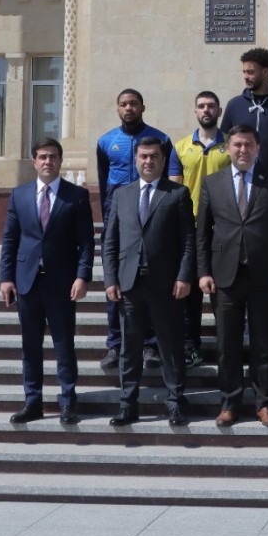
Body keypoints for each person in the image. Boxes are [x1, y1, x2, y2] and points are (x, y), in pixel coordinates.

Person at [196, 125, 268, 428]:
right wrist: (203, 272)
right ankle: (229, 403)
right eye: (237, 145)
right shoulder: (212, 183)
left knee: (264, 342)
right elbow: (201, 233)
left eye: (248, 145)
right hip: (225, 276)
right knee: (228, 344)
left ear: (258, 148)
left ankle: (264, 403)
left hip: (264, 275)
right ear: (227, 148)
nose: (242, 150)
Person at [0, 138, 95, 425]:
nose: (47, 161)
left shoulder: (76, 196)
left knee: (64, 344)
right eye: (42, 157)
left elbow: (87, 242)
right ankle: (33, 401)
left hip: (62, 283)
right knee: (30, 345)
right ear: (33, 162)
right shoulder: (19, 195)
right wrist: (6, 278)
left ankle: (68, 401)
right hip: (27, 282)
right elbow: (10, 239)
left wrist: (82, 276)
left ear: (60, 161)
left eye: (52, 156)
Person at [102, 137, 196, 427]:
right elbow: (110, 241)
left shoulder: (177, 194)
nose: (148, 161)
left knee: (170, 346)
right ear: (135, 159)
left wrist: (183, 276)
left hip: (166, 285)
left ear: (163, 159)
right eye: (143, 156)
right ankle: (128, 404)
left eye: (154, 156)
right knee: (130, 348)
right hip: (129, 284)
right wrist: (110, 279)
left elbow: (188, 242)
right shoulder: (122, 194)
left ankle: (175, 403)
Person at [95, 88, 181, 371]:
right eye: (123, 104)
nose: (128, 108)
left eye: (133, 103)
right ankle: (114, 343)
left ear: (143, 106)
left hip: (152, 219)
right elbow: (104, 181)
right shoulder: (106, 142)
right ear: (117, 108)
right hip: (120, 220)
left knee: (151, 285)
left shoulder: (162, 139)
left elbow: (169, 177)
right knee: (117, 284)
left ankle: (151, 344)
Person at [173, 90, 231, 369]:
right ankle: (190, 344)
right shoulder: (182, 146)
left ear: (219, 111)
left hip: (224, 227)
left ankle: (227, 345)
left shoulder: (231, 145)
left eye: (211, 106)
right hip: (191, 226)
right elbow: (175, 187)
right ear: (195, 111)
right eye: (201, 106)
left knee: (224, 290)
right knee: (191, 292)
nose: (206, 110)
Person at [222, 48, 268, 169]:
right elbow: (224, 141)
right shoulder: (234, 105)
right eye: (244, 72)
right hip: (242, 175)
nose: (245, 76)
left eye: (250, 72)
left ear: (265, 72)